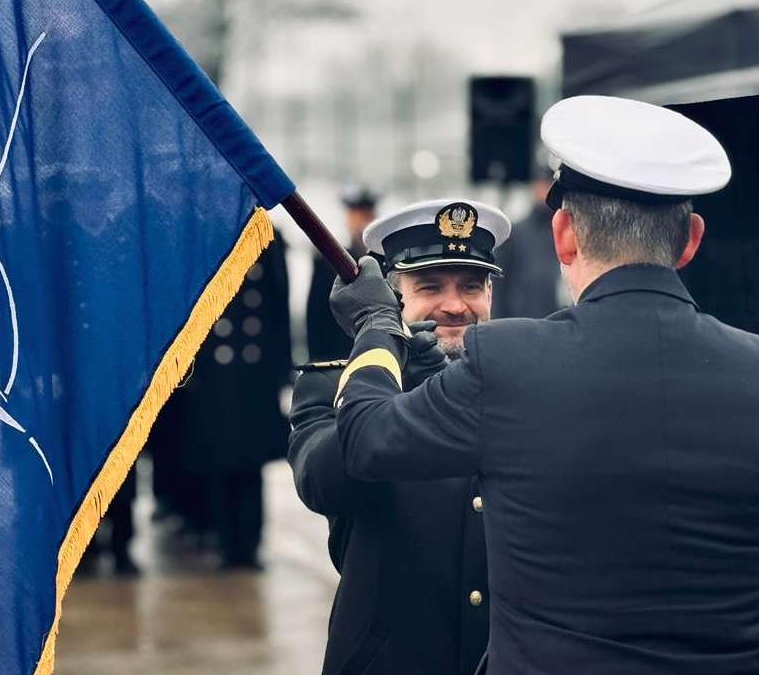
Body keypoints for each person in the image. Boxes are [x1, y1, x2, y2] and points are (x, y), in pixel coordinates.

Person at [328, 95, 759, 674]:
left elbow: (366, 437)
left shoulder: (507, 363)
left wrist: (378, 324)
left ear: (563, 235)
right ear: (690, 240)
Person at [290, 199, 511, 674]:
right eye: (430, 286)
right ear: (392, 298)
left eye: (472, 286)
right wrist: (394, 367)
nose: (455, 306)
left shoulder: (519, 384)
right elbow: (324, 482)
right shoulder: (333, 387)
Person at [179, 231, 293, 569]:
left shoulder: (267, 242)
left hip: (255, 377)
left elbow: (278, 311)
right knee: (219, 461)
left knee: (250, 465)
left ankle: (250, 544)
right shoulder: (201, 240)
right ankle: (227, 542)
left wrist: (281, 371)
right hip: (215, 375)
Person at [306, 184, 380, 361]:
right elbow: (315, 317)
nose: (361, 223)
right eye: (356, 216)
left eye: (366, 216)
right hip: (337, 357)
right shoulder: (328, 261)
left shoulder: (383, 260)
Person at [493, 164, 562, 318]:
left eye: (547, 185)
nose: (543, 191)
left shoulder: (565, 231)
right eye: (540, 185)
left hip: (557, 317)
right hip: (522, 319)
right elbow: (499, 281)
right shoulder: (516, 232)